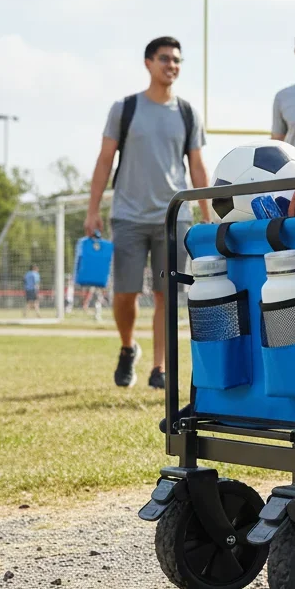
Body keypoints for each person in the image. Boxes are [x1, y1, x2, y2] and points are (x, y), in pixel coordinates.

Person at [84, 36, 209, 389]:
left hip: (174, 217)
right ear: (148, 63)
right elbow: (104, 160)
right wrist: (93, 210)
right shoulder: (124, 108)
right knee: (125, 293)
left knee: (166, 295)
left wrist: (206, 213)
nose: (172, 65)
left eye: (177, 60)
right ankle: (128, 348)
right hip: (128, 215)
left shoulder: (187, 113)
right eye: (165, 58)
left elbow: (197, 166)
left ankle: (159, 368)